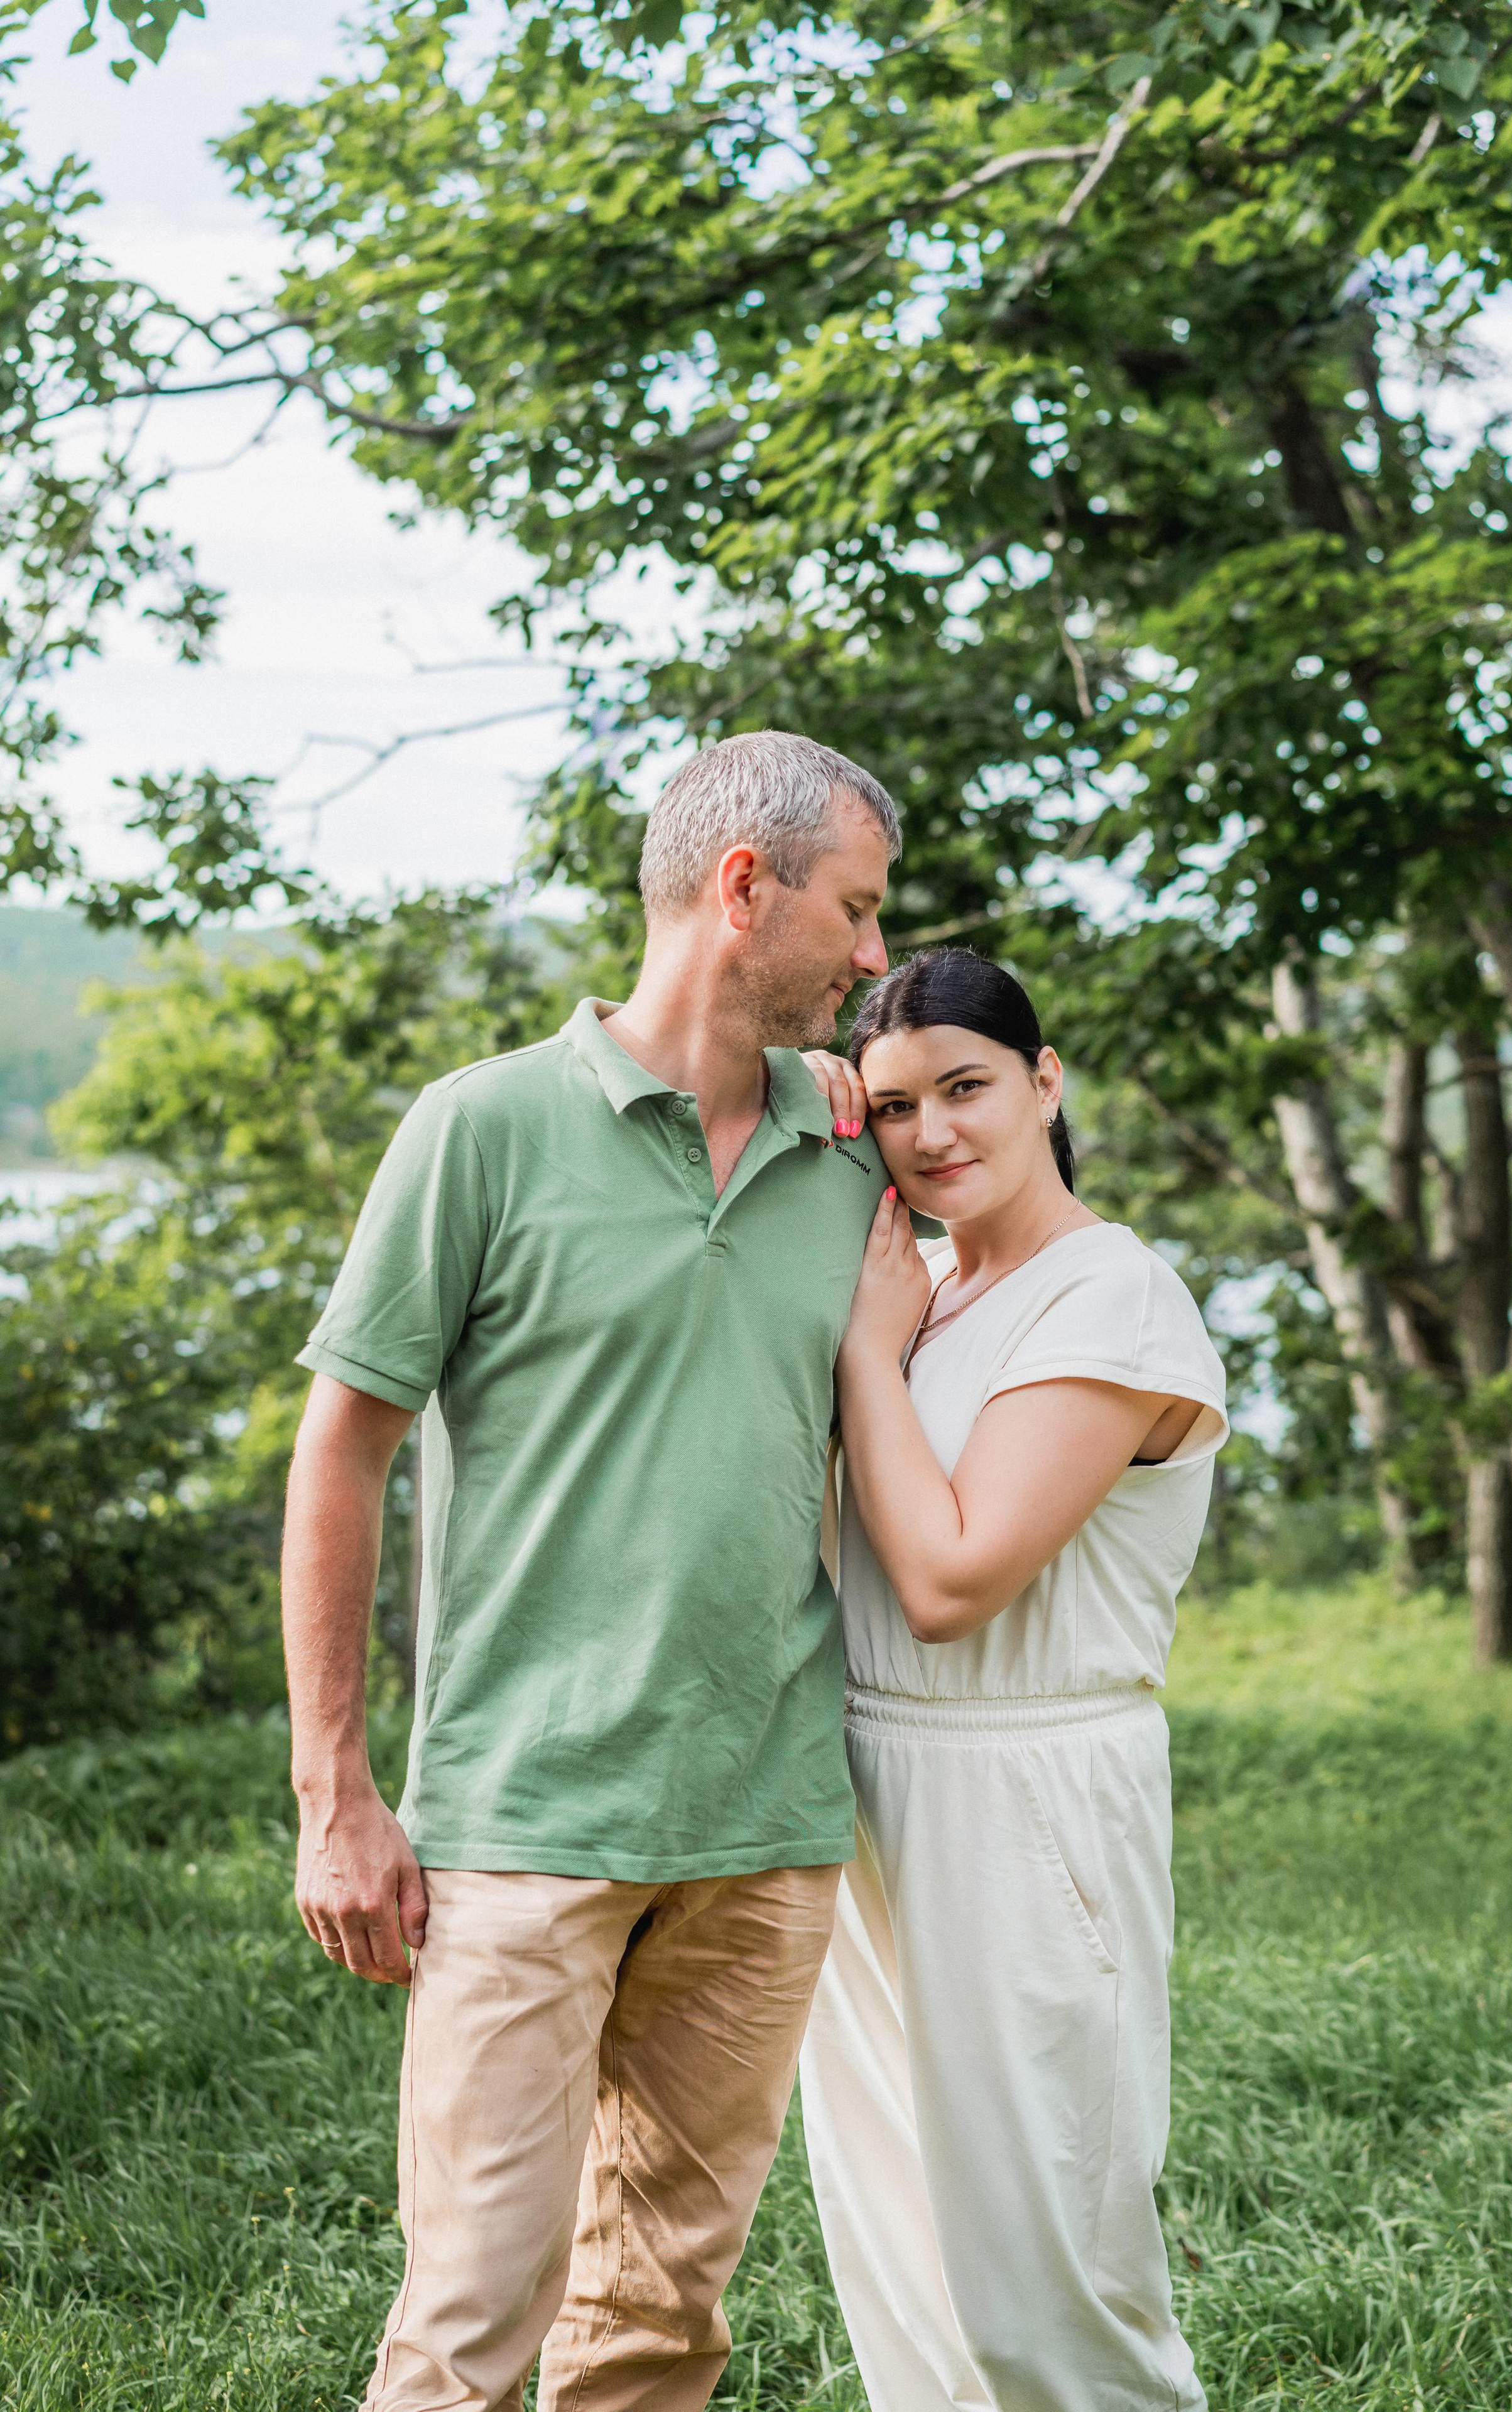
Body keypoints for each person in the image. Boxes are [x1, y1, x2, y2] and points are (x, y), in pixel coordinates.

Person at [280, 729, 904, 2412]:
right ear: (741, 886)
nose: (871, 958)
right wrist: (333, 1789)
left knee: (659, 2323)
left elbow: (1010, 1229)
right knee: (470, 2324)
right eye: (853, 914)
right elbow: (342, 1447)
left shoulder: (854, 1150)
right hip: (528, 1819)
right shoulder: (479, 1131)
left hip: (765, 1831)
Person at [798, 948, 1227, 2412]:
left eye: (966, 1087)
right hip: (858, 1787)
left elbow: (947, 1582)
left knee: (1042, 2270)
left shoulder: (1111, 1299)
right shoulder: (915, 1283)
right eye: (895, 1107)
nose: (931, 1135)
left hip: (1026, 1790)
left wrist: (863, 1347)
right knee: (900, 2252)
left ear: (1044, 1084)